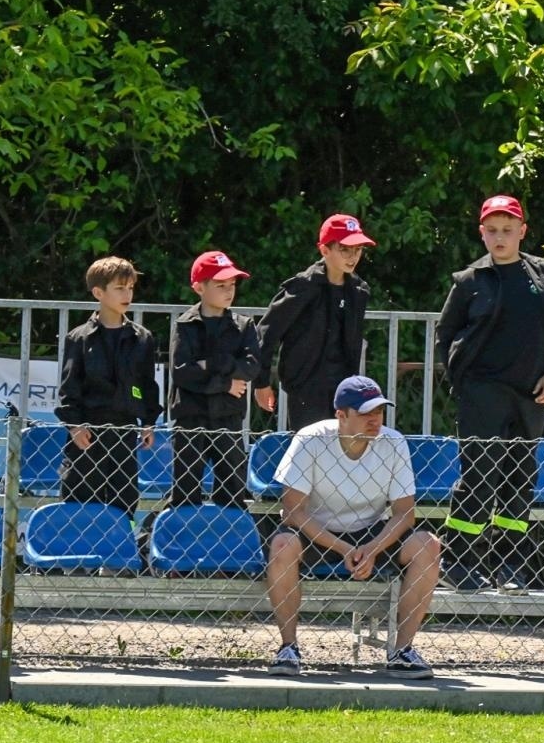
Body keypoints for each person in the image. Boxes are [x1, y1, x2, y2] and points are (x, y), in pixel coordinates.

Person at [435, 194, 544, 594]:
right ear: (482, 234)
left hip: (531, 395)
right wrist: (462, 384)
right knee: (479, 477)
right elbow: (445, 336)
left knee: (520, 480)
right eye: (492, 231)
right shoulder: (469, 282)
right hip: (482, 392)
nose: (500, 238)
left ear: (522, 231)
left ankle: (509, 564)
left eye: (507, 230)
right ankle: (458, 559)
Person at [265, 375, 441, 679]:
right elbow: (293, 511)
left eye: (379, 412)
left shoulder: (394, 441)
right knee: (282, 546)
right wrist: (345, 549)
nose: (375, 420)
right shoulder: (311, 438)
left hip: (371, 534)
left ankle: (403, 651)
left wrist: (371, 550)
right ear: (341, 416)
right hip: (316, 532)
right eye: (365, 413)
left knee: (428, 545)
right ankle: (288, 647)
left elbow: (404, 514)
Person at [55, 257, 160, 517]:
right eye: (120, 288)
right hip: (87, 433)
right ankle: (77, 554)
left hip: (124, 431)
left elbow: (148, 385)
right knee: (80, 500)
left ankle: (121, 555)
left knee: (124, 501)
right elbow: (69, 388)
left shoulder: (143, 339)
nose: (127, 294)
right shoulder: (78, 337)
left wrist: (148, 422)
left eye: (131, 287)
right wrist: (75, 426)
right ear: (98, 293)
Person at [254, 213, 374, 431]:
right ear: (324, 250)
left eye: (358, 250)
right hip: (305, 388)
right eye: (344, 249)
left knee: (342, 454)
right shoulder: (302, 287)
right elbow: (267, 332)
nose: (352, 256)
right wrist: (261, 382)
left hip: (343, 388)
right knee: (308, 453)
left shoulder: (359, 290)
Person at [168, 251, 260, 508]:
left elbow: (251, 367)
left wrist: (212, 363)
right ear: (199, 287)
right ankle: (182, 543)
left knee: (232, 491)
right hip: (190, 418)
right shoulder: (184, 325)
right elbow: (183, 371)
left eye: (232, 284)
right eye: (221, 285)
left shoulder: (244, 325)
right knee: (185, 493)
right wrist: (226, 384)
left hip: (228, 418)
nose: (229, 291)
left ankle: (230, 546)